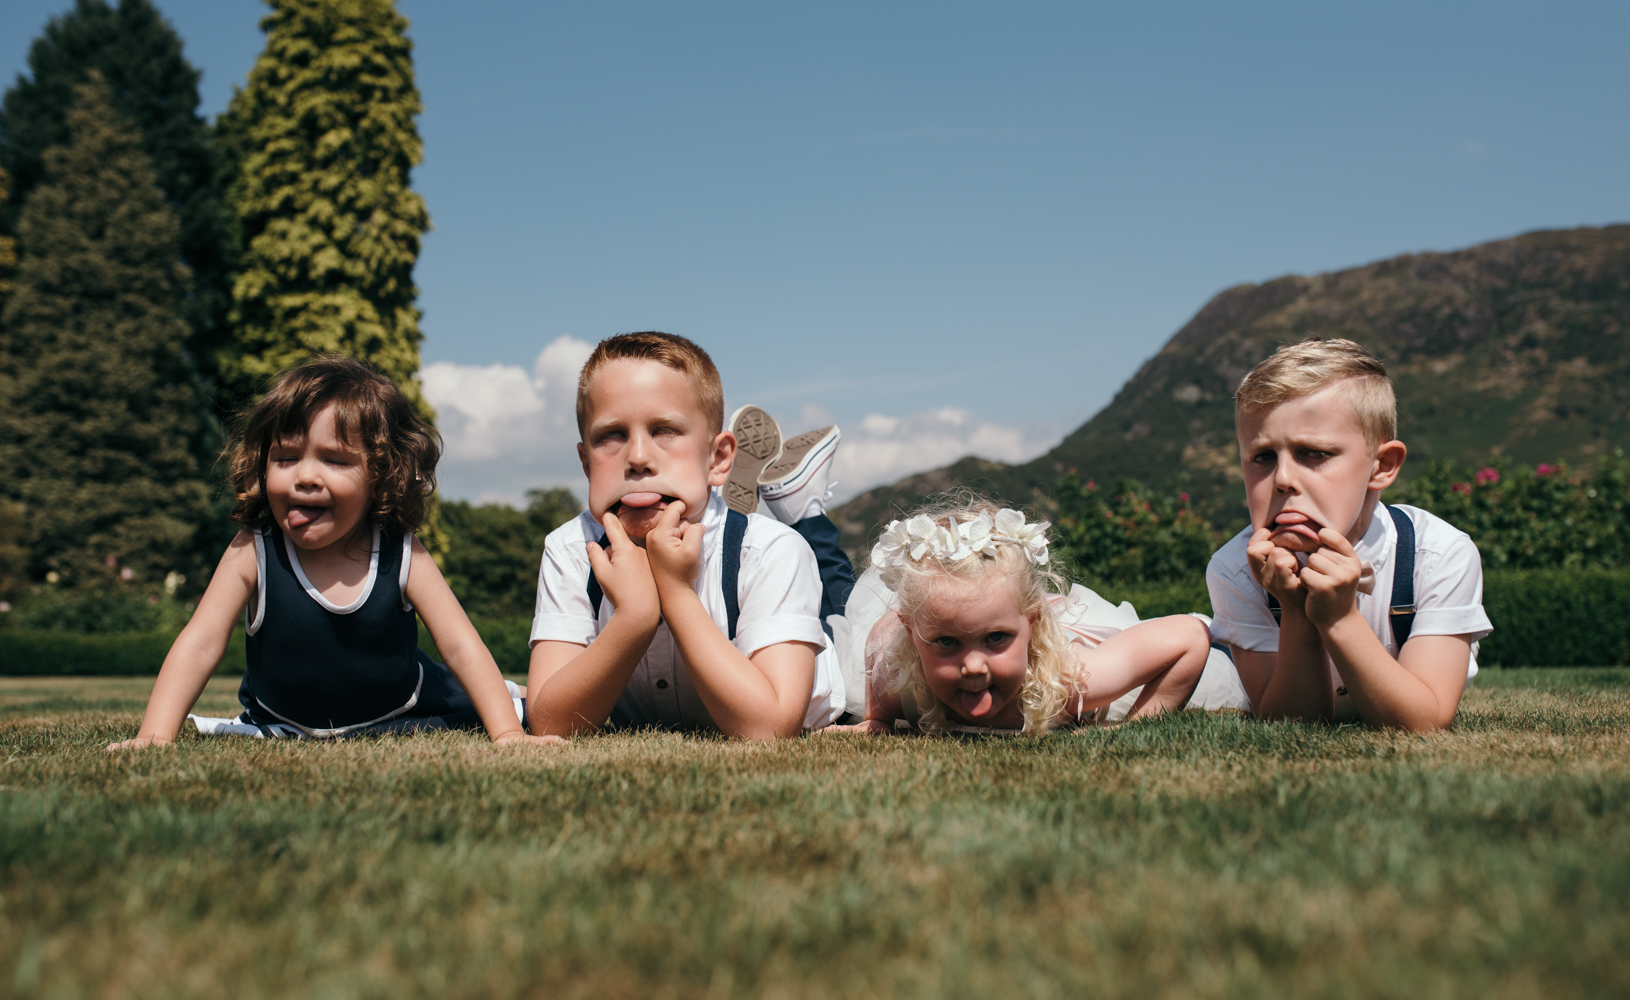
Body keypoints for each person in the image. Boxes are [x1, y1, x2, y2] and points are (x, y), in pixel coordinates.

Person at [108, 356, 556, 749]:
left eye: (335, 460)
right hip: (283, 722)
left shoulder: (400, 551)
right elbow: (200, 643)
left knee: (496, 699)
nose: (305, 476)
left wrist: (508, 735)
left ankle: (511, 696)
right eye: (286, 458)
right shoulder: (253, 548)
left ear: (381, 475)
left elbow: (460, 644)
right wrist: (155, 735)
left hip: (402, 710)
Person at [527, 332, 853, 739]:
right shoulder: (571, 549)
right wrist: (634, 617)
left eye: (664, 430)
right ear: (587, 465)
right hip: (734, 546)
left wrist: (677, 593)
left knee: (847, 607)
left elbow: (769, 729)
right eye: (611, 436)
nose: (638, 458)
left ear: (718, 459)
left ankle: (805, 510)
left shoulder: (773, 550)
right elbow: (548, 725)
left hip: (840, 658)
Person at [1206, 337, 1493, 731]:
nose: (1283, 480)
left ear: (1382, 466)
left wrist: (1340, 616)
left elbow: (1423, 723)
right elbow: (1291, 725)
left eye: (1314, 453)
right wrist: (1294, 612)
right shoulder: (1235, 569)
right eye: (1263, 457)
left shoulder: (1439, 554)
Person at [825, 500, 1217, 735]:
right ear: (914, 637)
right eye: (947, 642)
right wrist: (877, 717)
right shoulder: (903, 673)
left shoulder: (1069, 681)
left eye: (995, 639)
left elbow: (1192, 636)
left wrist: (1136, 728)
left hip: (1064, 642)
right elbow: (882, 634)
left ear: (1032, 622)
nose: (973, 666)